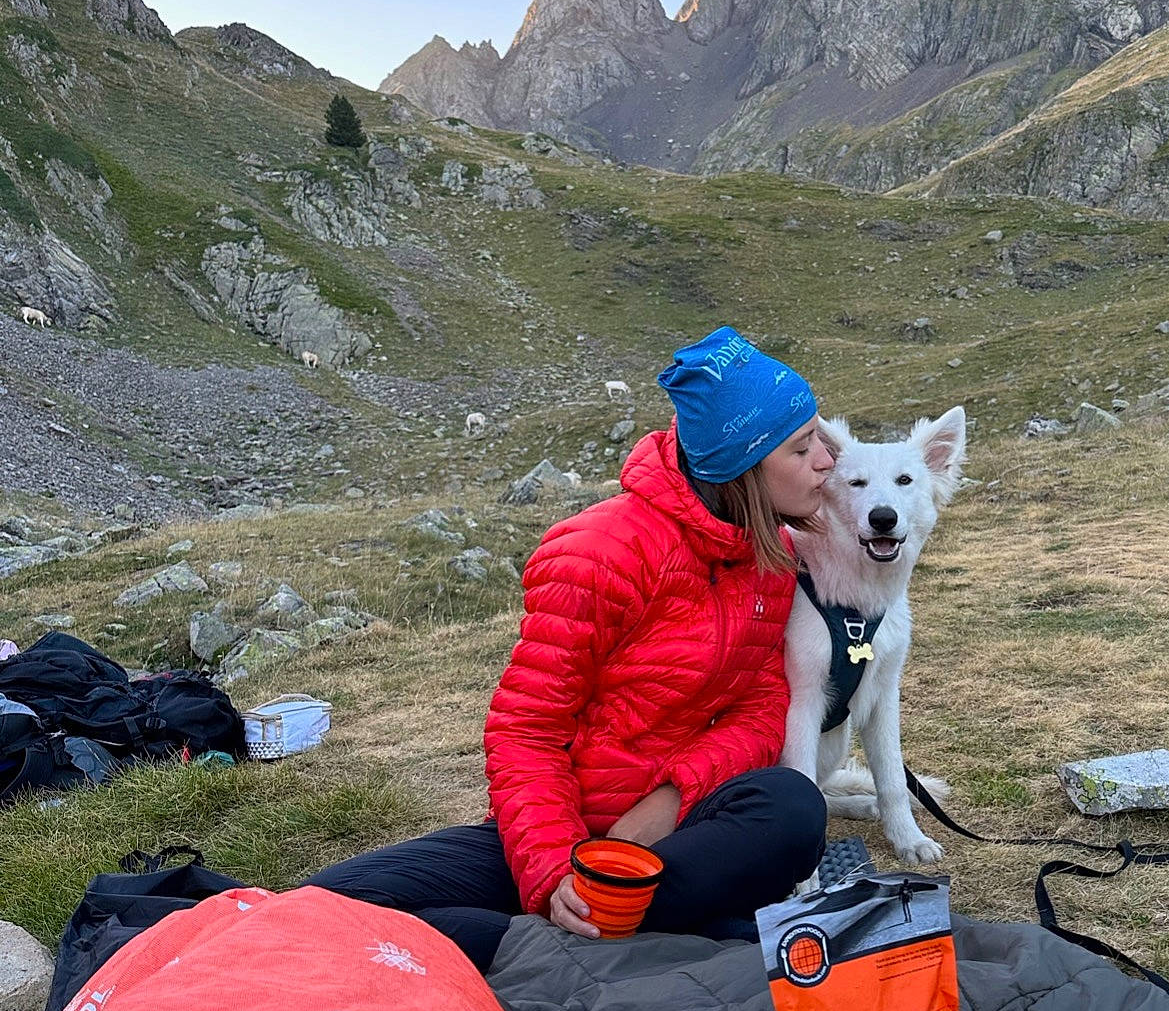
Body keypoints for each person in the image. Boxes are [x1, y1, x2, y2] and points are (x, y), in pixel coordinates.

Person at [307, 327, 834, 966]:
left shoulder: (766, 553)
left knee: (792, 810)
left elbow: (760, 702)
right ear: (742, 466)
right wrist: (557, 872)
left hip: (679, 833)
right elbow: (525, 731)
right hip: (564, 830)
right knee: (326, 905)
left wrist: (666, 802)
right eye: (803, 448)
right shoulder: (597, 554)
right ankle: (598, 939)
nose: (828, 460)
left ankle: (573, 943)